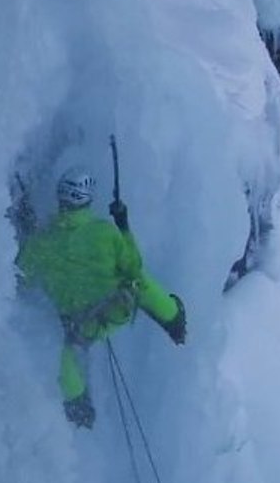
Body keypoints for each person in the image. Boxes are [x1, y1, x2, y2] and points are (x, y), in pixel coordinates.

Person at [16, 166, 186, 428]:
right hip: (116, 311)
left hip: (79, 327)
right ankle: (173, 318)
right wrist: (123, 224)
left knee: (64, 355)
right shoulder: (105, 232)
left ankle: (78, 406)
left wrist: (29, 232)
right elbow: (133, 265)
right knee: (139, 282)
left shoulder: (40, 244)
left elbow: (21, 278)